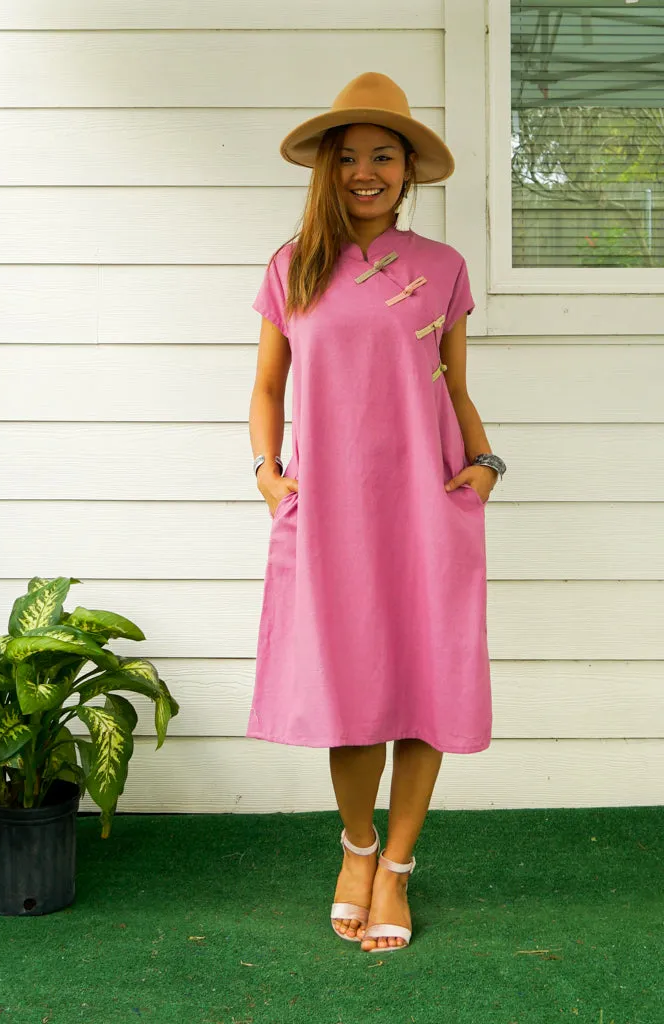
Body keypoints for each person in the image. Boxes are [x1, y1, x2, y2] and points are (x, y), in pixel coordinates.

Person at [247, 72, 506, 953]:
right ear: (327, 168)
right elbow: (267, 389)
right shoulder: (293, 266)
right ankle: (355, 847)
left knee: (423, 684)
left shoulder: (443, 270)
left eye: (383, 157)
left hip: (428, 505)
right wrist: (268, 474)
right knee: (349, 688)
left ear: (407, 172)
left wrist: (485, 467)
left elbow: (459, 392)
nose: (366, 171)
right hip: (329, 513)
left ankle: (396, 868)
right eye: (349, 156)